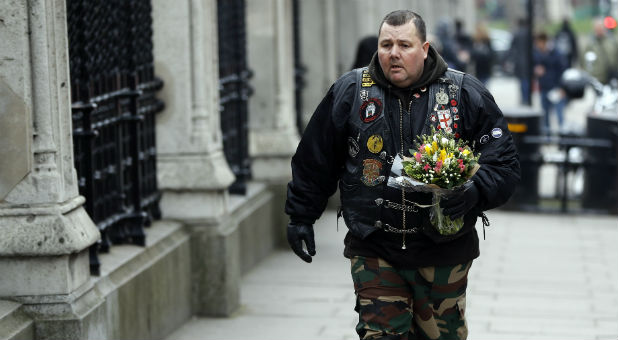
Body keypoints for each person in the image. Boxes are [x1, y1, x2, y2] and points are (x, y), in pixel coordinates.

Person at [285, 10, 520, 340]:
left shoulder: (464, 93)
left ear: (425, 49)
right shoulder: (351, 92)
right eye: (386, 44)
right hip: (375, 247)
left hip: (444, 253)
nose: (393, 53)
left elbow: (504, 165)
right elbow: (315, 158)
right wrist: (300, 214)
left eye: (404, 45)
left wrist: (473, 192)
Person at [533, 32, 568, 134]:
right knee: (545, 115)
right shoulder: (537, 53)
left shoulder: (556, 53)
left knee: (559, 115)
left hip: (556, 88)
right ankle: (547, 137)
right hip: (544, 87)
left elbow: (563, 70)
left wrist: (562, 88)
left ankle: (563, 138)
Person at [582, 17, 618, 84]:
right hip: (598, 79)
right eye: (597, 28)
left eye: (601, 27)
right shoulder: (590, 44)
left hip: (612, 76)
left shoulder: (612, 41)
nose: (599, 30)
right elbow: (585, 62)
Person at [508, 18, 532, 105]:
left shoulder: (516, 34)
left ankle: (524, 98)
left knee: (522, 81)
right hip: (528, 61)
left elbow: (511, 48)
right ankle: (526, 98)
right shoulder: (529, 33)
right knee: (526, 80)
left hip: (519, 61)